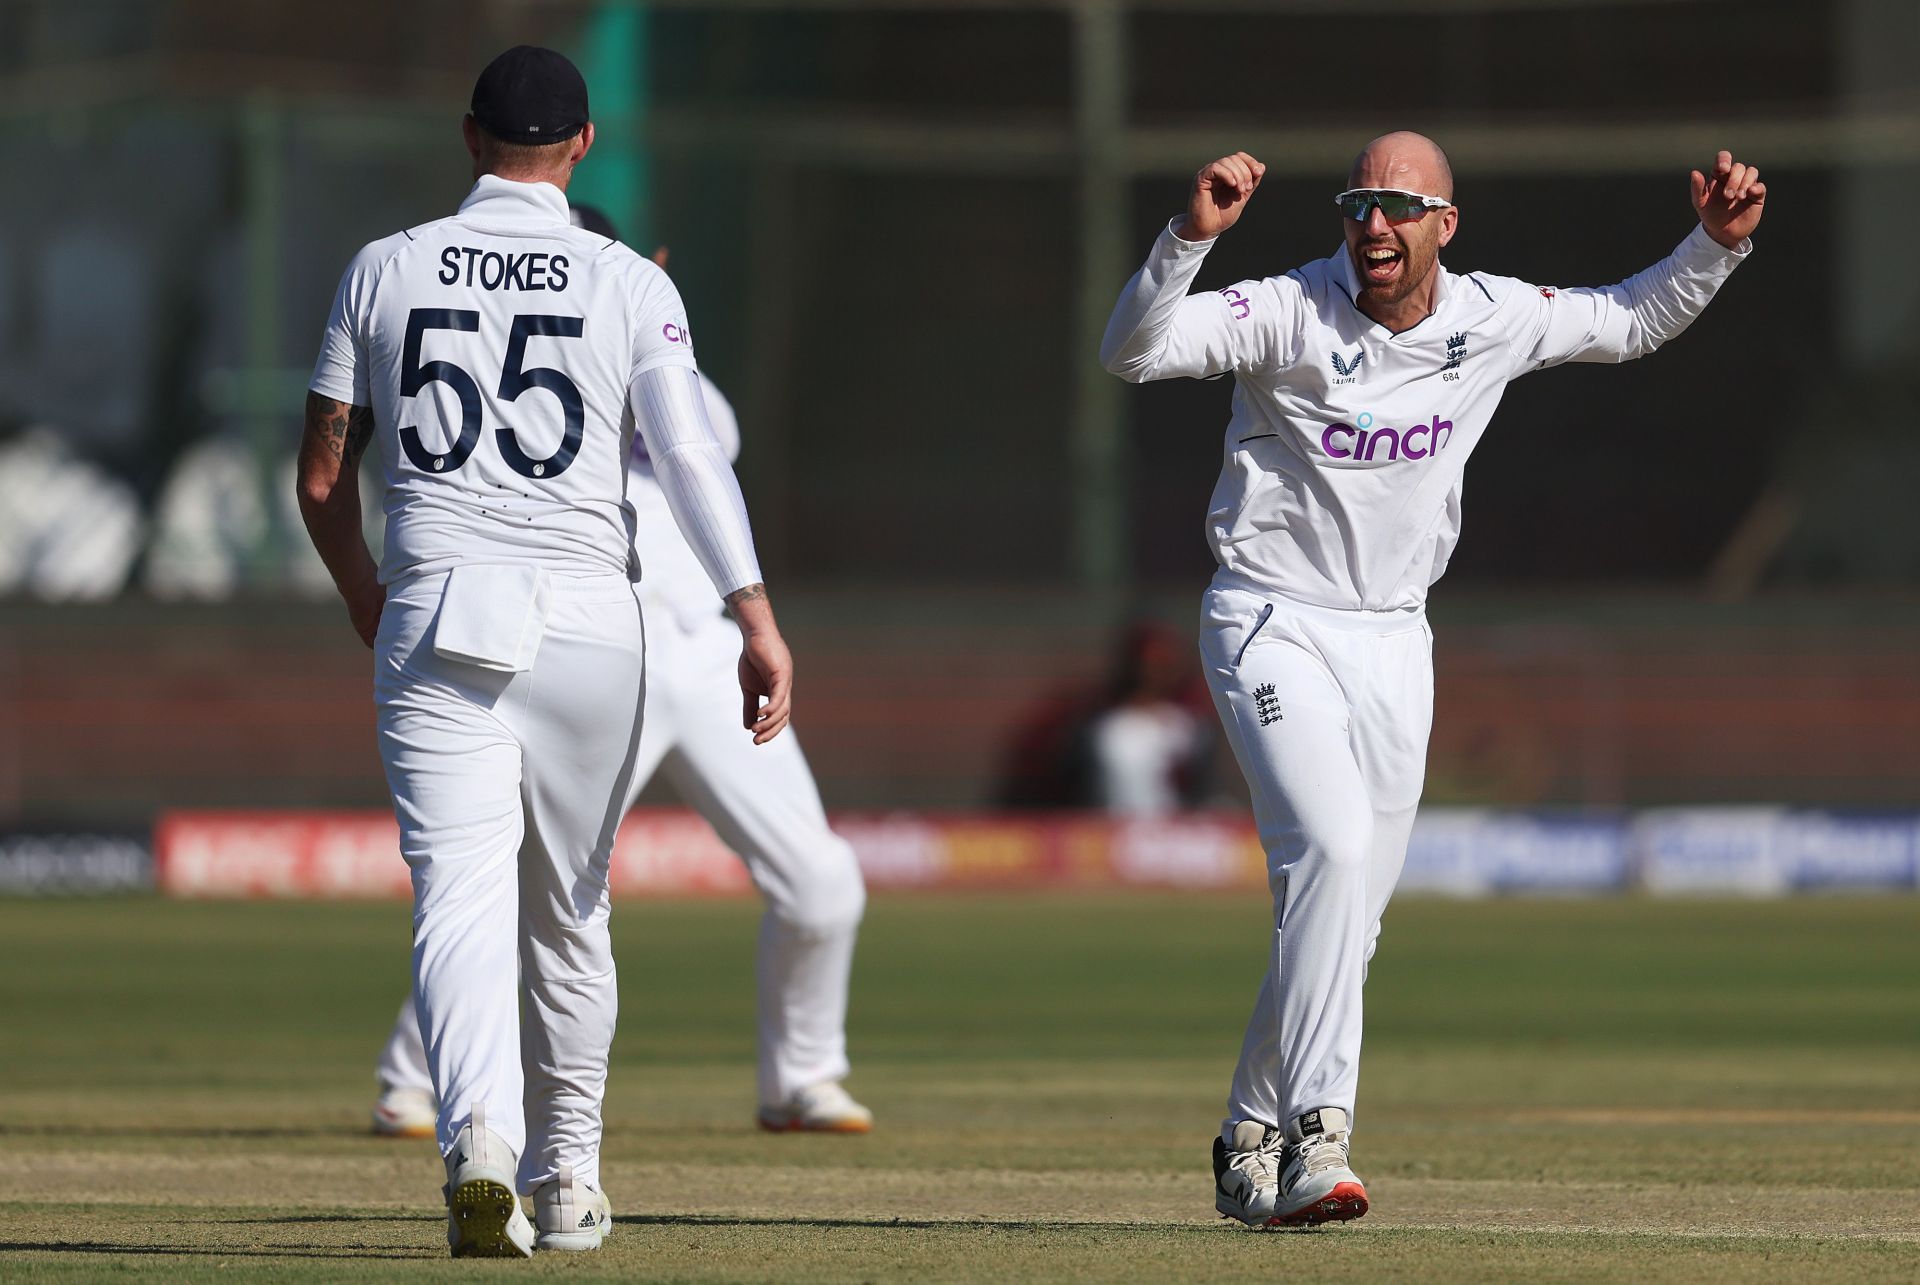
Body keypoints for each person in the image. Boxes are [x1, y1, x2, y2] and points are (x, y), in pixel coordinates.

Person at [1100, 134, 1763, 1227]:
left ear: (1443, 226)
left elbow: (1633, 317)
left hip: (1397, 640)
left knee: (1347, 918)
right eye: (1360, 204)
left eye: (1401, 208)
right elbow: (1134, 351)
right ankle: (1320, 1136)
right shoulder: (1287, 308)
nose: (1374, 225)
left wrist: (1716, 246)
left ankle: (1248, 1133)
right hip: (1271, 618)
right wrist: (1189, 240)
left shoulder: (1491, 316)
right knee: (1331, 849)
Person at [298, 46, 792, 1257]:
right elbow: (687, 461)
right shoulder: (631, 282)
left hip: (435, 608)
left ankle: (477, 1143)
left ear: (469, 139)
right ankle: (568, 1178)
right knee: (570, 912)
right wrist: (755, 616)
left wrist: (364, 588)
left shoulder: (384, 266)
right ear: (580, 148)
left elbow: (321, 478)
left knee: (456, 902)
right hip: (587, 620)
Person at [372, 215, 870, 1144]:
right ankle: (415, 1077)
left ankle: (801, 1077)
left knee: (825, 879)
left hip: (703, 654)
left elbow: (693, 441)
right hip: (594, 649)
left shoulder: (670, 362)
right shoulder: (529, 353)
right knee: (513, 881)